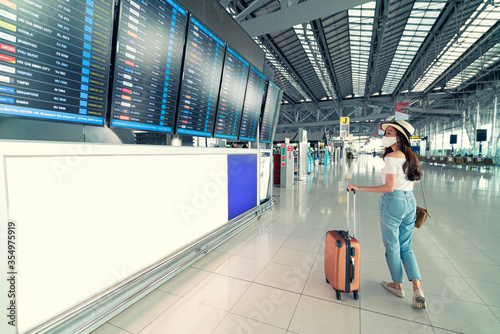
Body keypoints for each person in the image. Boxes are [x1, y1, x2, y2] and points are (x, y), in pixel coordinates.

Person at [347, 119, 426, 309]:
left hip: (393, 203)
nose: (385, 136)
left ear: (399, 137)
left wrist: (359, 187)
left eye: (389, 133)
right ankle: (417, 289)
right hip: (410, 202)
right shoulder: (411, 157)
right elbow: (411, 184)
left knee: (392, 246)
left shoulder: (392, 158)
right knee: (406, 246)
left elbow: (389, 188)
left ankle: (397, 285)